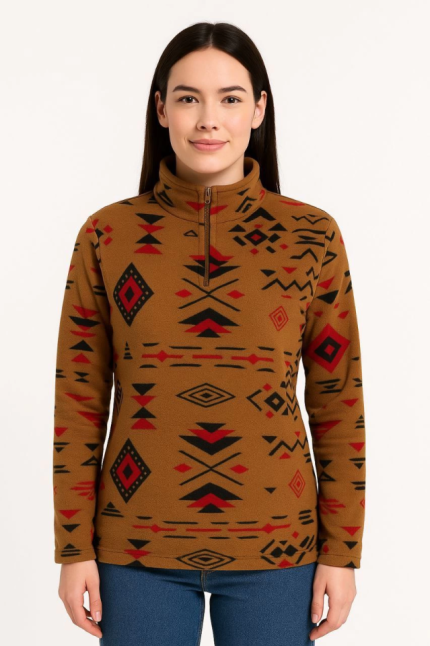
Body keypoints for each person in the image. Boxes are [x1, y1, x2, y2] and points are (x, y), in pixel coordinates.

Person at [53, 22, 366, 646]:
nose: (208, 119)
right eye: (188, 97)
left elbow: (338, 400)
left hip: (279, 550)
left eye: (229, 98)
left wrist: (342, 552)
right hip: (135, 548)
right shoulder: (107, 236)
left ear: (259, 109)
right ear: (161, 108)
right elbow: (79, 400)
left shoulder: (312, 237)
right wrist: (72, 548)